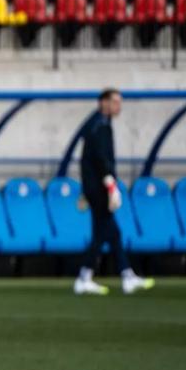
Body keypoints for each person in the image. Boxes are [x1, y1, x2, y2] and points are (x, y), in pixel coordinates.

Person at [73, 88, 154, 296]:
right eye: (115, 101)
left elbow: (88, 159)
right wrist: (110, 184)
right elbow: (100, 158)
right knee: (108, 232)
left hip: (94, 186)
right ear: (104, 103)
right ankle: (121, 276)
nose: (119, 106)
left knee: (105, 233)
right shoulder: (99, 125)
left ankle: (94, 276)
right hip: (99, 187)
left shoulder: (97, 123)